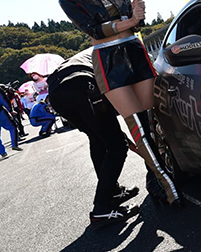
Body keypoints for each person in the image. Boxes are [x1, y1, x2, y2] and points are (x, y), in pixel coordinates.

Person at [58, 0, 182, 209]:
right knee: (136, 125)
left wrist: (138, 13)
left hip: (135, 51)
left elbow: (136, 24)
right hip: (108, 59)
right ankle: (167, 183)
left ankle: (154, 177)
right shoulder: (69, 0)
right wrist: (129, 21)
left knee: (151, 122)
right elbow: (94, 30)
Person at [49, 48, 139, 229]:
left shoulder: (93, 51)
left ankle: (112, 192)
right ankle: (101, 208)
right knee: (117, 146)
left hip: (57, 92)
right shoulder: (116, 51)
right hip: (81, 86)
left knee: (97, 139)